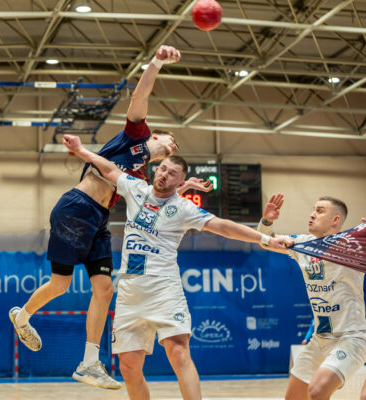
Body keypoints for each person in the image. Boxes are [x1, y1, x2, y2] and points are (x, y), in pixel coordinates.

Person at [9, 44, 187, 389]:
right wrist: (156, 63)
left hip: (100, 221)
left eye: (175, 147)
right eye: (170, 140)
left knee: (104, 290)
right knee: (60, 285)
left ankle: (89, 363)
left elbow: (160, 202)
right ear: (156, 135)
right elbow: (140, 95)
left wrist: (186, 186)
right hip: (76, 208)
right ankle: (23, 315)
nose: (173, 145)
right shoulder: (135, 136)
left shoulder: (142, 177)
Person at [62, 134, 291, 400]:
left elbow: (224, 227)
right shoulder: (136, 188)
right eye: (163, 169)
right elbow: (109, 168)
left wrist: (265, 239)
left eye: (172, 174)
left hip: (164, 290)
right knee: (129, 366)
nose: (164, 174)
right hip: (130, 292)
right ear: (156, 169)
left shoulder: (184, 209)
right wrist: (81, 150)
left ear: (180, 182)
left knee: (179, 353)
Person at [257, 194, 366, 400]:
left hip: (350, 337)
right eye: (313, 209)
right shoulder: (303, 243)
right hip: (319, 338)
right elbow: (266, 242)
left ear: (335, 220)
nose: (312, 214)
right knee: (294, 397)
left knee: (317, 391)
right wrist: (267, 221)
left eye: (320, 211)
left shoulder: (353, 245)